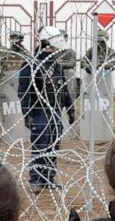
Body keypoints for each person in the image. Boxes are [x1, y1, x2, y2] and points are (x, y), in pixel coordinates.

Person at [18, 25, 75, 193]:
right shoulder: (31, 64)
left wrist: (70, 108)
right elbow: (24, 91)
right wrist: (27, 113)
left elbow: (63, 88)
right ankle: (36, 179)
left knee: (53, 144)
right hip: (40, 110)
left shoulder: (55, 64)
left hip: (55, 109)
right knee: (41, 144)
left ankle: (48, 178)